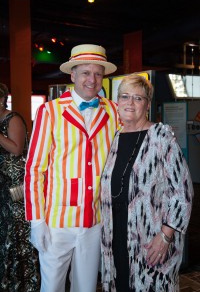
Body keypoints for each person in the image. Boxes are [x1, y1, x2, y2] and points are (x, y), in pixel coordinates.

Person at [24, 44, 120, 292]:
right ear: (72, 75)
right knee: (52, 287)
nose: (92, 79)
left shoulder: (113, 111)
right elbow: (34, 169)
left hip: (94, 219)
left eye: (98, 73)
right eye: (85, 72)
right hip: (56, 222)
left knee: (86, 288)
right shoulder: (50, 111)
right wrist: (36, 222)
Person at [100, 74, 193, 292]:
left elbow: (183, 192)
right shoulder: (114, 138)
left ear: (148, 104)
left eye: (138, 98)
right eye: (125, 96)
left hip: (151, 242)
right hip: (116, 236)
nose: (130, 103)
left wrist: (166, 236)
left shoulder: (161, 137)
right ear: (117, 102)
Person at [0, 83, 40, 291]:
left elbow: (16, 150)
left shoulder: (12, 118)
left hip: (15, 187)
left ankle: (23, 283)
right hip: (1, 184)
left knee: (17, 234)